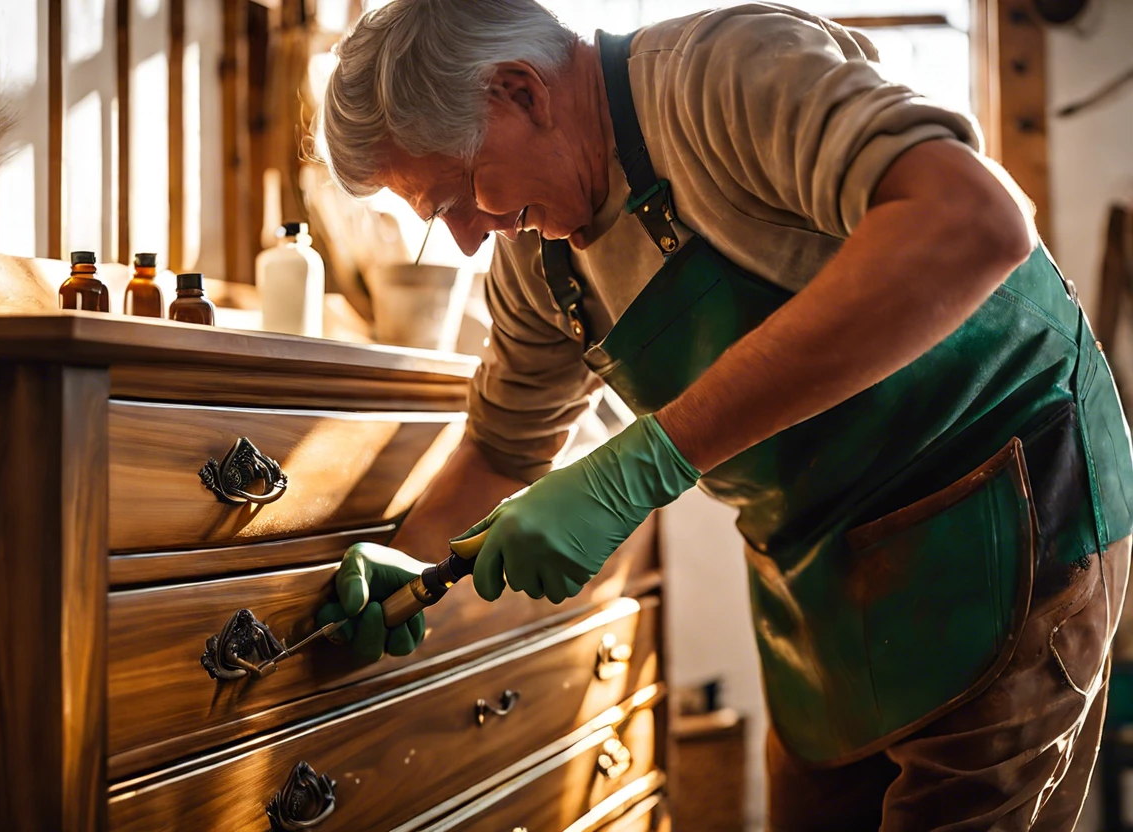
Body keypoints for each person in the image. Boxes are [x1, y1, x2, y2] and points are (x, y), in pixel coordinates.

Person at [313, 1, 1133, 828]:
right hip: (821, 584)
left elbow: (973, 221)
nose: (464, 239)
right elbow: (501, 450)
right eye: (437, 218)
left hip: (1004, 508)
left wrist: (648, 461)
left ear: (520, 93)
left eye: (461, 193)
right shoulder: (535, 265)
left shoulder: (721, 75)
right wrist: (408, 562)